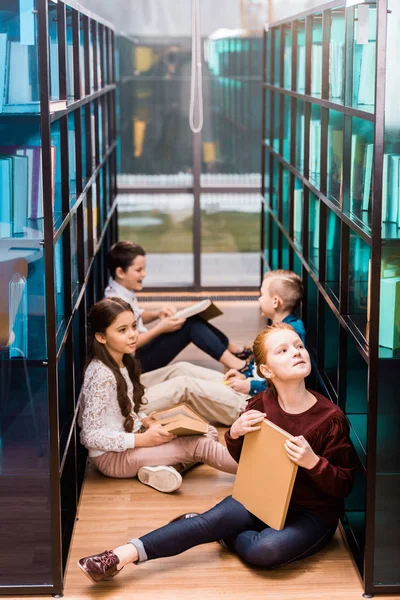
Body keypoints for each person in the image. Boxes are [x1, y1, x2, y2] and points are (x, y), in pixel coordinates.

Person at [78, 323, 356, 583]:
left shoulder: (330, 418)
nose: (296, 353)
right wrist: (233, 434)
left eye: (298, 347)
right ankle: (117, 557)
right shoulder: (259, 404)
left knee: (265, 550)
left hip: (312, 514)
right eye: (282, 351)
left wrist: (313, 463)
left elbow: (344, 484)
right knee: (205, 522)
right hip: (262, 498)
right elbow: (243, 460)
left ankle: (225, 535)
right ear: (266, 370)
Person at [78, 297, 237, 494]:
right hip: (112, 458)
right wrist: (143, 441)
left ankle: (163, 468)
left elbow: (123, 411)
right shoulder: (101, 375)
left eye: (134, 327)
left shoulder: (122, 361)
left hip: (132, 437)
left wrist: (146, 422)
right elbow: (90, 436)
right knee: (202, 445)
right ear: (101, 337)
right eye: (122, 330)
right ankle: (261, 473)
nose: (132, 335)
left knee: (208, 432)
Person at [139, 269, 305, 425]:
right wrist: (245, 377)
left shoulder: (289, 335)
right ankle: (127, 389)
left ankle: (128, 411)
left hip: (254, 404)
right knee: (181, 369)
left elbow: (287, 383)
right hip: (250, 386)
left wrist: (250, 385)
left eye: (261, 295)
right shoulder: (281, 327)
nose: (259, 299)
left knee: (184, 385)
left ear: (275, 302)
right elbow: (270, 374)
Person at [104, 241, 253, 373]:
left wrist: (157, 314)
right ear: (120, 272)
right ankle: (240, 366)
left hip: (140, 352)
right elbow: (130, 343)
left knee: (190, 318)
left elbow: (135, 316)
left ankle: (235, 351)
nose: (144, 274)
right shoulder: (116, 301)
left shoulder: (122, 292)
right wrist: (160, 328)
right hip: (135, 363)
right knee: (190, 326)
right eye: (138, 270)